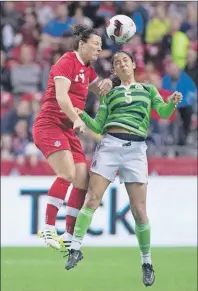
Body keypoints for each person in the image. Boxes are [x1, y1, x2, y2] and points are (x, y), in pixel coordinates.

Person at [65, 51, 182, 287]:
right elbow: (99, 124)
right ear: (115, 71)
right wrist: (83, 116)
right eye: (116, 62)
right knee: (92, 198)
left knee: (139, 210)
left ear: (133, 65)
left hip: (136, 150)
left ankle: (147, 263)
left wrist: (171, 103)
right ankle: (75, 248)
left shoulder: (148, 90)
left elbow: (164, 113)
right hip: (109, 146)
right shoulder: (110, 93)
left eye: (124, 60)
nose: (121, 64)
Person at [32, 24, 112, 250]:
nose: (99, 48)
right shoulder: (67, 61)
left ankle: (68, 234)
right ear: (81, 44)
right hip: (50, 124)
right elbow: (61, 97)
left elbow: (100, 89)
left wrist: (109, 83)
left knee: (82, 179)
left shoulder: (88, 69)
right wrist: (76, 119)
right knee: (66, 173)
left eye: (101, 45)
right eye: (95, 44)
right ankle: (47, 227)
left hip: (66, 129)